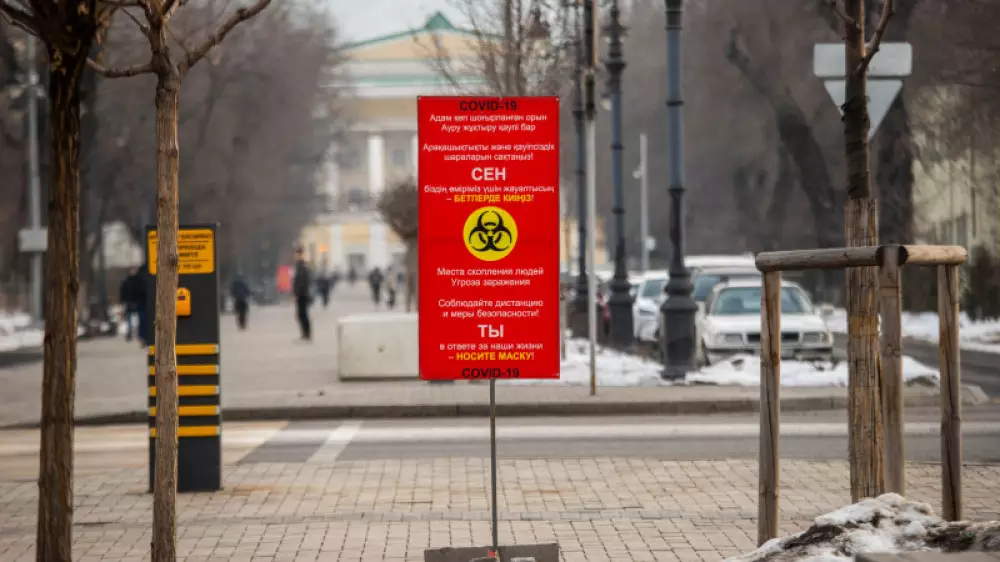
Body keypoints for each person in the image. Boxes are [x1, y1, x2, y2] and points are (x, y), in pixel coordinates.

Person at [293, 248, 313, 341]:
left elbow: (301, 282)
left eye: (297, 254)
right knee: (301, 314)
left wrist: (297, 293)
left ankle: (306, 334)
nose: (296, 256)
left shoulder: (302, 267)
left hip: (302, 294)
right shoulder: (299, 266)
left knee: (303, 314)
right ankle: (305, 334)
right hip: (302, 294)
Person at [119, 267, 139, 341]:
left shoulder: (128, 281)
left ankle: (132, 333)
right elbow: (122, 292)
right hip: (130, 301)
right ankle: (131, 332)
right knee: (130, 318)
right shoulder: (131, 281)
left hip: (133, 301)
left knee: (132, 318)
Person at [134, 262, 150, 348]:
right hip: (147, 301)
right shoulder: (148, 275)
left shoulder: (138, 276)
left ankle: (143, 338)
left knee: (142, 321)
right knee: (147, 320)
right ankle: (147, 338)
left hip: (141, 303)